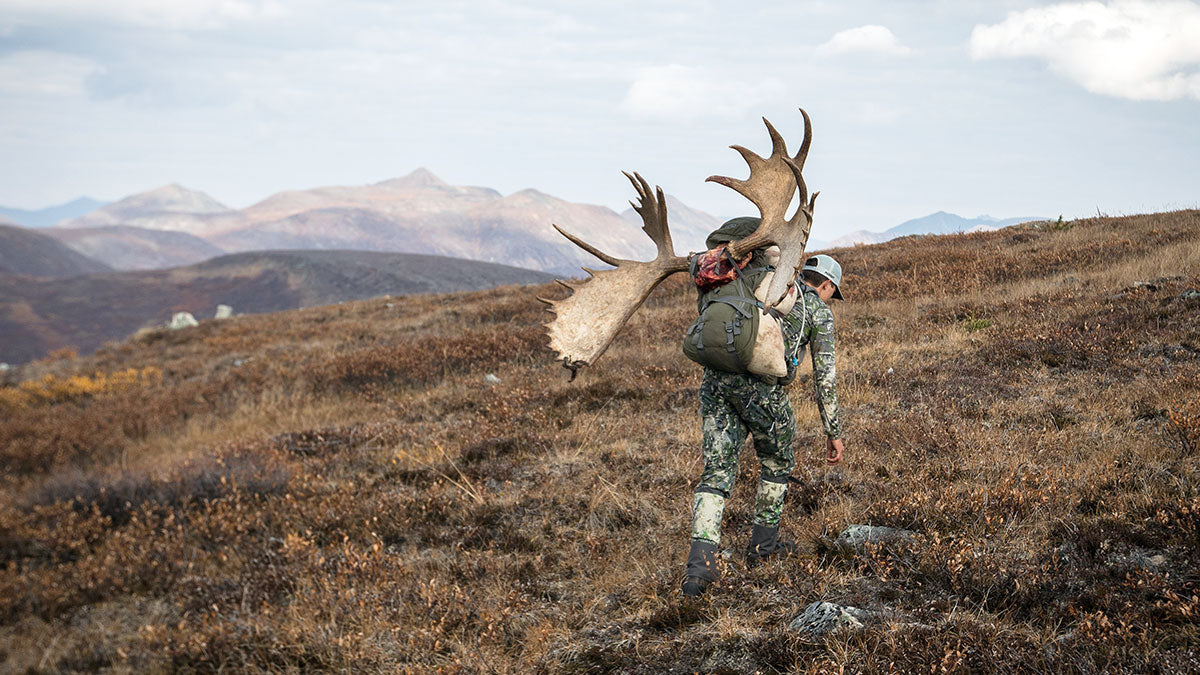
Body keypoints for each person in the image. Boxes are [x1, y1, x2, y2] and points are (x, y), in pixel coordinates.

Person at [682, 223, 846, 598]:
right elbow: (826, 378)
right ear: (827, 286)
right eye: (832, 292)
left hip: (716, 383)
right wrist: (832, 431)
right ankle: (763, 548)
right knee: (777, 460)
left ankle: (699, 570)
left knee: (716, 471)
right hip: (762, 392)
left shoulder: (736, 280)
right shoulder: (815, 309)